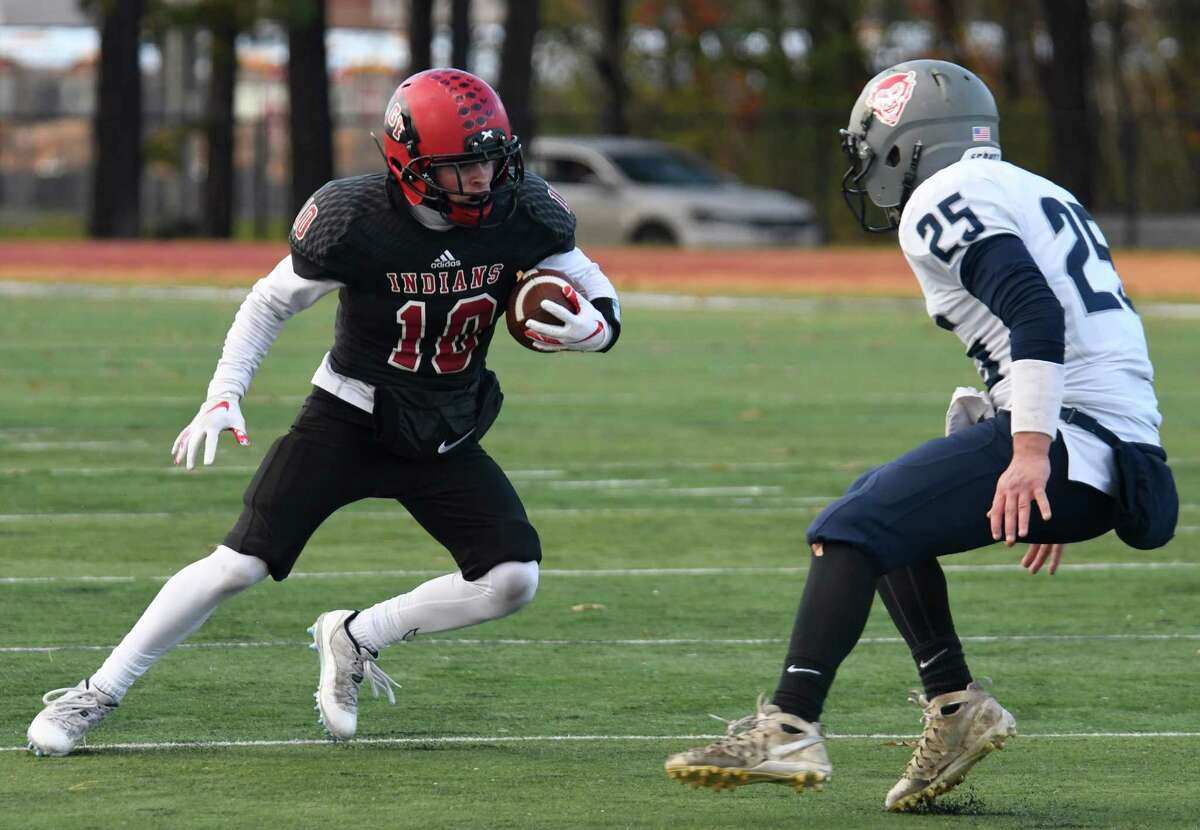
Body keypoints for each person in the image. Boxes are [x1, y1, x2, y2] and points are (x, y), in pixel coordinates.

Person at [27, 68, 622, 756]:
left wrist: (597, 329)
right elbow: (269, 301)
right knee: (237, 565)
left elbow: (590, 282)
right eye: (462, 168)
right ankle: (95, 692)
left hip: (445, 428)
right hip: (349, 417)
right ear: (409, 166)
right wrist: (225, 391)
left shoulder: (524, 212)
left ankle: (356, 635)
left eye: (491, 159)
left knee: (513, 578)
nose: (484, 180)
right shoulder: (357, 220)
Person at [664, 59, 1176, 811]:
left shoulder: (943, 193)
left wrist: (1035, 451)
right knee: (885, 517)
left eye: (873, 146)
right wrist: (1057, 456)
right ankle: (955, 707)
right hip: (1114, 446)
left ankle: (789, 725)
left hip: (1076, 436)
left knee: (850, 528)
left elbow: (1037, 315)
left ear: (906, 143)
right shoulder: (1038, 188)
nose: (869, 165)